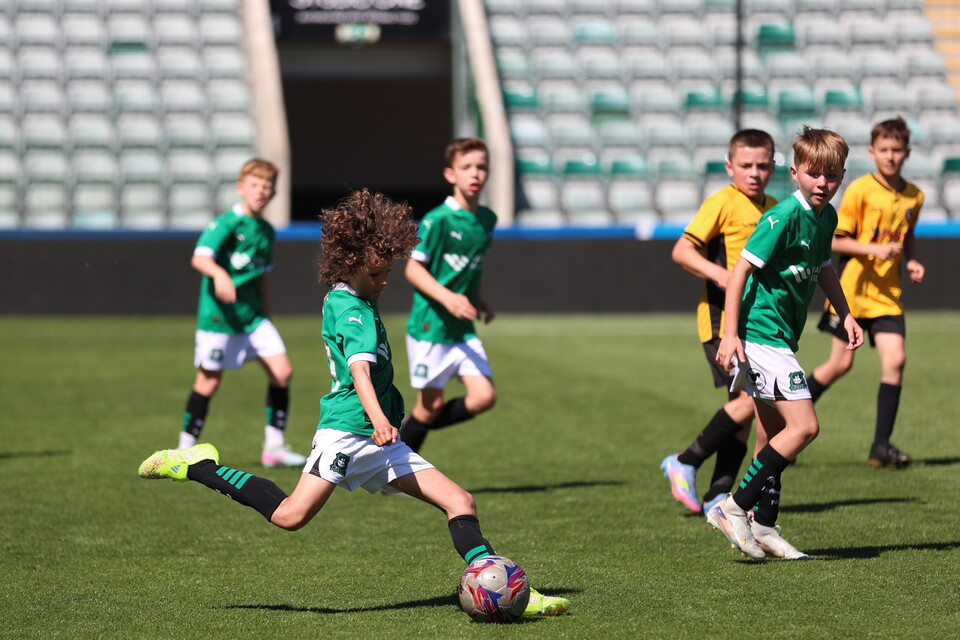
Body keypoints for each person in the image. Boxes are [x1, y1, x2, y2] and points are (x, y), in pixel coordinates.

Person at [139, 189, 569, 617]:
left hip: (382, 442)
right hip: (347, 433)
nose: (385, 281)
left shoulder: (356, 298)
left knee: (461, 502)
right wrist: (381, 420)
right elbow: (360, 372)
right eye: (378, 273)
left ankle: (510, 591)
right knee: (290, 515)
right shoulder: (353, 311)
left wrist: (385, 429)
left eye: (387, 272)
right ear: (350, 264)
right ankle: (197, 465)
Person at [706, 127, 864, 561]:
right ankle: (733, 508)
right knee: (805, 427)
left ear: (841, 176)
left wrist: (846, 313)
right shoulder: (781, 218)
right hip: (761, 335)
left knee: (772, 433)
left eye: (831, 176)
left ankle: (765, 525)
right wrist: (730, 332)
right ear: (795, 173)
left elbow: (825, 268)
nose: (823, 183)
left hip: (779, 338)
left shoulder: (826, 217)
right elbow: (739, 272)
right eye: (814, 174)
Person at [661, 130, 779, 516]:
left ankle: (718, 493)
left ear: (773, 166)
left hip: (759, 324)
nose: (754, 172)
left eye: (762, 165)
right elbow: (682, 250)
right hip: (719, 321)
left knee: (742, 410)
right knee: (752, 400)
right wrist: (721, 275)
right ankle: (687, 460)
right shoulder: (723, 202)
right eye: (745, 165)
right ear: (730, 167)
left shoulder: (776, 208)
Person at [806, 117, 925, 468]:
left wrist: (912, 260)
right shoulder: (859, 189)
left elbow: (908, 233)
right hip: (852, 293)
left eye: (897, 150)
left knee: (896, 361)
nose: (890, 157)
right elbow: (836, 240)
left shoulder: (914, 195)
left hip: (887, 294)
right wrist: (873, 251)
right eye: (884, 150)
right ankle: (787, 421)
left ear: (907, 153)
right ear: (873, 152)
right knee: (840, 364)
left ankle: (880, 447)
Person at [177, 158, 306, 468]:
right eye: (255, 185)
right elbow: (200, 258)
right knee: (208, 382)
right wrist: (220, 275)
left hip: (253, 318)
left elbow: (262, 276)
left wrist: (267, 314)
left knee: (282, 372)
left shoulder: (265, 230)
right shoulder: (225, 224)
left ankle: (273, 447)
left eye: (267, 186)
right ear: (241, 188)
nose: (261, 191)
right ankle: (184, 449)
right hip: (220, 318)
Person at [399, 138, 498, 453]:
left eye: (481, 167)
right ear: (450, 174)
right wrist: (449, 299)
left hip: (462, 328)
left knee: (484, 397)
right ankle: (395, 471)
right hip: (431, 327)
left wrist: (477, 298)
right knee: (429, 406)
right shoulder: (437, 220)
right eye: (466, 167)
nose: (475, 173)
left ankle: (409, 430)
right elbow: (413, 271)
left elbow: (472, 267)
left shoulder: (487, 219)